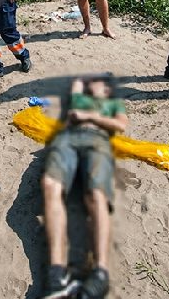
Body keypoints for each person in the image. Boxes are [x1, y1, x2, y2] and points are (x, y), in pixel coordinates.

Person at [41, 75, 128, 299]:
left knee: (96, 195)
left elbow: (120, 124)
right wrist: (79, 86)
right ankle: (57, 274)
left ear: (107, 89)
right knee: (50, 185)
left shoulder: (113, 104)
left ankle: (100, 272)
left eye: (97, 82)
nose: (92, 84)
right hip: (68, 138)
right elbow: (76, 86)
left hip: (96, 139)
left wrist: (90, 116)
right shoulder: (79, 98)